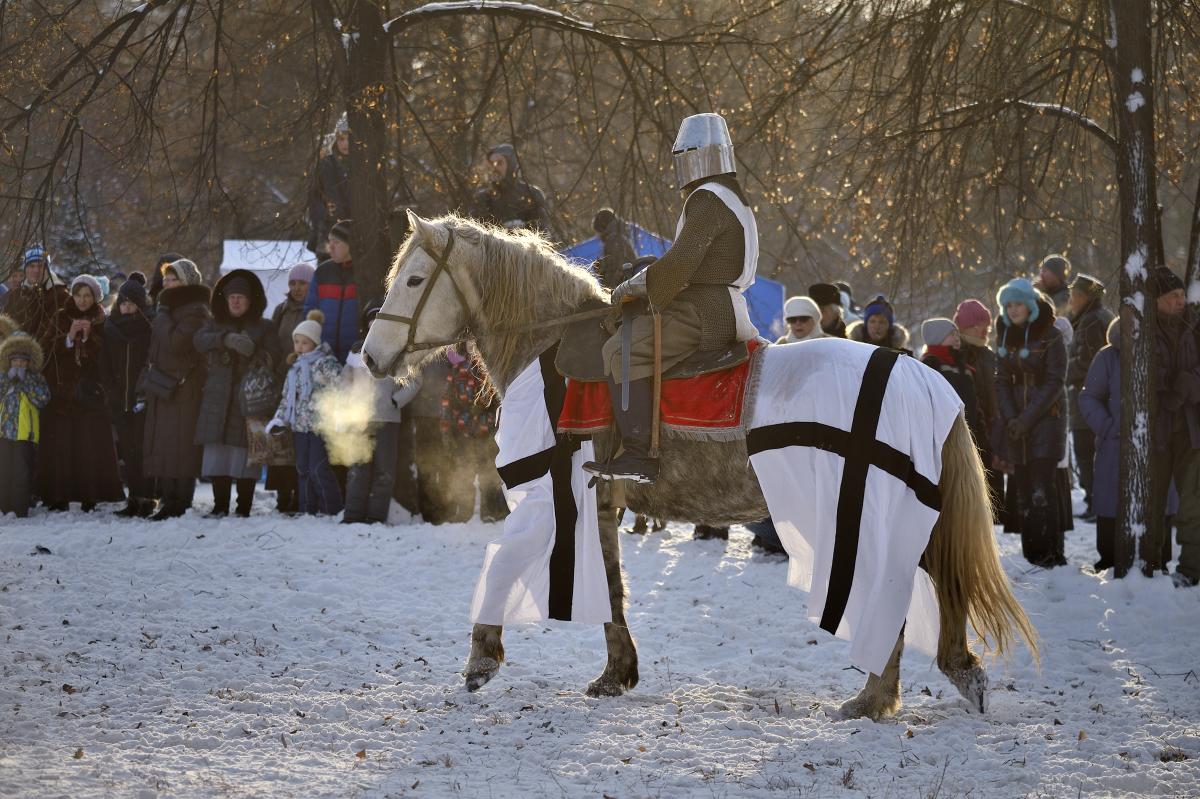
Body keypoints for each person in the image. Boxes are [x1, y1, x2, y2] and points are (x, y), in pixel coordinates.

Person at [583, 113, 759, 483]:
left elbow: (682, 261)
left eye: (684, 157)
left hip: (705, 310)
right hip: (719, 303)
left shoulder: (708, 198)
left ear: (696, 156)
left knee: (619, 351)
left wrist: (634, 288)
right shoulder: (731, 197)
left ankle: (637, 455)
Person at [1078, 317, 1178, 572]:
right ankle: (1109, 557)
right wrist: (1109, 427)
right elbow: (1089, 397)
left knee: (1158, 498)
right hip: (1116, 443)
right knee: (1111, 497)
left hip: (1157, 441)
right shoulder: (1108, 357)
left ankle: (1158, 558)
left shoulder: (1163, 352)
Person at [193, 269, 282, 517]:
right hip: (217, 399)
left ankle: (244, 506)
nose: (235, 300)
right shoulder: (214, 325)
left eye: (241, 297)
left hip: (249, 402)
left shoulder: (264, 327)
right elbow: (198, 341)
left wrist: (257, 353)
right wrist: (226, 338)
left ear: (251, 300)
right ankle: (219, 505)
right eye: (232, 296)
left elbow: (275, 356)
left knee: (244, 457)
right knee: (218, 455)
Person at [994, 277, 1068, 568]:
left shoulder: (1051, 335)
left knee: (1042, 489)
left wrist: (1026, 419)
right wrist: (1012, 418)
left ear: (1030, 305)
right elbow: (1000, 380)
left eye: (1018, 304)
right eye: (1008, 305)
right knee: (1023, 489)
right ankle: (1032, 555)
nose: (1013, 310)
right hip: (1016, 423)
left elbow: (1055, 382)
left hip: (1046, 421)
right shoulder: (1004, 334)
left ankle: (1050, 554)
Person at [36, 274, 125, 511]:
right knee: (62, 446)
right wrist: (67, 338)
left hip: (91, 394)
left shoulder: (101, 320)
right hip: (62, 393)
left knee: (90, 446)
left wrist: (88, 339)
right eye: (78, 295)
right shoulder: (60, 317)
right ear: (73, 295)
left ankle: (91, 495)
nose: (82, 300)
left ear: (95, 297)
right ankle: (59, 495)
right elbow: (45, 351)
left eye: (87, 296)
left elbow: (107, 357)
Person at [143, 258, 211, 520]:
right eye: (167, 280)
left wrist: (160, 316)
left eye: (174, 280)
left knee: (180, 447)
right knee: (164, 445)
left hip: (184, 389)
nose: (168, 284)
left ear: (187, 282)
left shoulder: (195, 310)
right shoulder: (169, 309)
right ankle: (168, 498)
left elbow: (176, 342)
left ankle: (180, 500)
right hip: (163, 387)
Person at [341, 305, 421, 524]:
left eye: (378, 317)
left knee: (385, 471)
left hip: (387, 418)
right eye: (370, 319)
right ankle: (352, 515)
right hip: (360, 419)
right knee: (358, 468)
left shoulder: (398, 349)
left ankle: (376, 516)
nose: (373, 323)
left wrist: (396, 401)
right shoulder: (356, 351)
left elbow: (415, 381)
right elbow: (344, 380)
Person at [1147, 266, 1200, 586]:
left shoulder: (1195, 328)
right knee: (1152, 506)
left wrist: (1184, 386)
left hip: (1192, 432)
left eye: (1181, 295)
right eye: (1172, 297)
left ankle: (1192, 569)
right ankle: (1150, 567)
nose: (1180, 301)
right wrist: (1165, 390)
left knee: (1192, 505)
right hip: (1157, 432)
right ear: (1156, 301)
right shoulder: (1143, 331)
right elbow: (1144, 378)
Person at [266, 310, 343, 516]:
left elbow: (341, 385)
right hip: (299, 427)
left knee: (318, 468)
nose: (299, 347)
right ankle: (307, 509)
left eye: (305, 343)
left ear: (315, 343)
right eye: (297, 342)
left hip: (319, 426)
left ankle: (331, 509)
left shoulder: (325, 363)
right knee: (302, 469)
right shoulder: (295, 369)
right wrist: (279, 419)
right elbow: (287, 398)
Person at [102, 277, 156, 517]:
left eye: (132, 303)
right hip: (118, 400)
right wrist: (110, 389)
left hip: (141, 399)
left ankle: (147, 497)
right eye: (123, 302)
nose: (126, 307)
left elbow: (150, 362)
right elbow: (103, 364)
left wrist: (143, 389)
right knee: (128, 450)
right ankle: (134, 497)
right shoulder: (110, 328)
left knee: (143, 450)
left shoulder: (148, 328)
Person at [1063, 274, 1114, 522]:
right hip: (1097, 399)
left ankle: (1096, 502)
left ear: (1083, 297)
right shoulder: (1094, 317)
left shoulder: (1092, 320)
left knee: (1087, 451)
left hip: (1090, 400)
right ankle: (1094, 501)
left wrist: (1063, 368)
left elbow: (1088, 362)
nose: (1070, 301)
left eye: (1073, 296)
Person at [266, 261, 315, 513]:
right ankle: (283, 494)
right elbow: (274, 343)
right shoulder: (281, 310)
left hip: (307, 385)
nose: (297, 288)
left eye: (302, 283)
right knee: (281, 443)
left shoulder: (314, 311)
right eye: (293, 283)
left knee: (301, 443)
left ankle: (300, 494)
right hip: (283, 383)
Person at [954, 298, 1003, 517]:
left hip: (992, 428)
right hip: (969, 428)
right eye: (977, 325)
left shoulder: (989, 355)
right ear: (964, 327)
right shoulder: (958, 355)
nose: (983, 330)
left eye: (986, 325)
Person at [0, 333, 50, 517]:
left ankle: (20, 509)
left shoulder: (36, 379)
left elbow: (43, 399)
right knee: (3, 470)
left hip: (25, 434)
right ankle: (4, 507)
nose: (19, 364)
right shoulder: (3, 377)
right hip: (3, 432)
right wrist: (7, 379)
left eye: (23, 361)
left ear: (29, 363)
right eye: (15, 361)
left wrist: (26, 382)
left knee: (21, 472)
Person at [304, 220, 358, 363]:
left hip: (356, 358)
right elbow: (309, 311)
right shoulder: (322, 272)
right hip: (323, 357)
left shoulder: (364, 274)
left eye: (337, 242)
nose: (331, 247)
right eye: (330, 241)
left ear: (350, 244)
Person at [468, 143, 552, 235]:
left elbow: (542, 232)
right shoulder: (483, 198)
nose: (494, 168)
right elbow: (476, 235)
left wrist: (520, 230)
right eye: (491, 164)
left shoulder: (532, 194)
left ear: (511, 165)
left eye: (499, 163)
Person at [919, 317, 981, 440]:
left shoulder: (965, 369)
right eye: (951, 334)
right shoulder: (929, 365)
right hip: (943, 438)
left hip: (970, 437)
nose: (957, 338)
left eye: (957, 334)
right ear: (937, 337)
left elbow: (976, 408)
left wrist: (983, 442)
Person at [6, 245, 68, 354]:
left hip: (47, 357)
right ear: (25, 269)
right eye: (31, 266)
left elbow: (55, 330)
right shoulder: (16, 294)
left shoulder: (59, 294)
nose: (36, 270)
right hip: (15, 357)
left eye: (41, 266)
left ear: (48, 269)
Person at [306, 115, 351, 258]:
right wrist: (325, 213)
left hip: (358, 237)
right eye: (341, 139)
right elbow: (314, 198)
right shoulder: (326, 165)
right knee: (328, 276)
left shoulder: (364, 167)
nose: (345, 144)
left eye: (349, 138)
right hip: (329, 235)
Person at [593, 208, 637, 291]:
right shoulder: (618, 237)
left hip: (623, 289)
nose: (598, 235)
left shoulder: (614, 240)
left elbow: (620, 269)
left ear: (602, 227)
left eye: (598, 231)